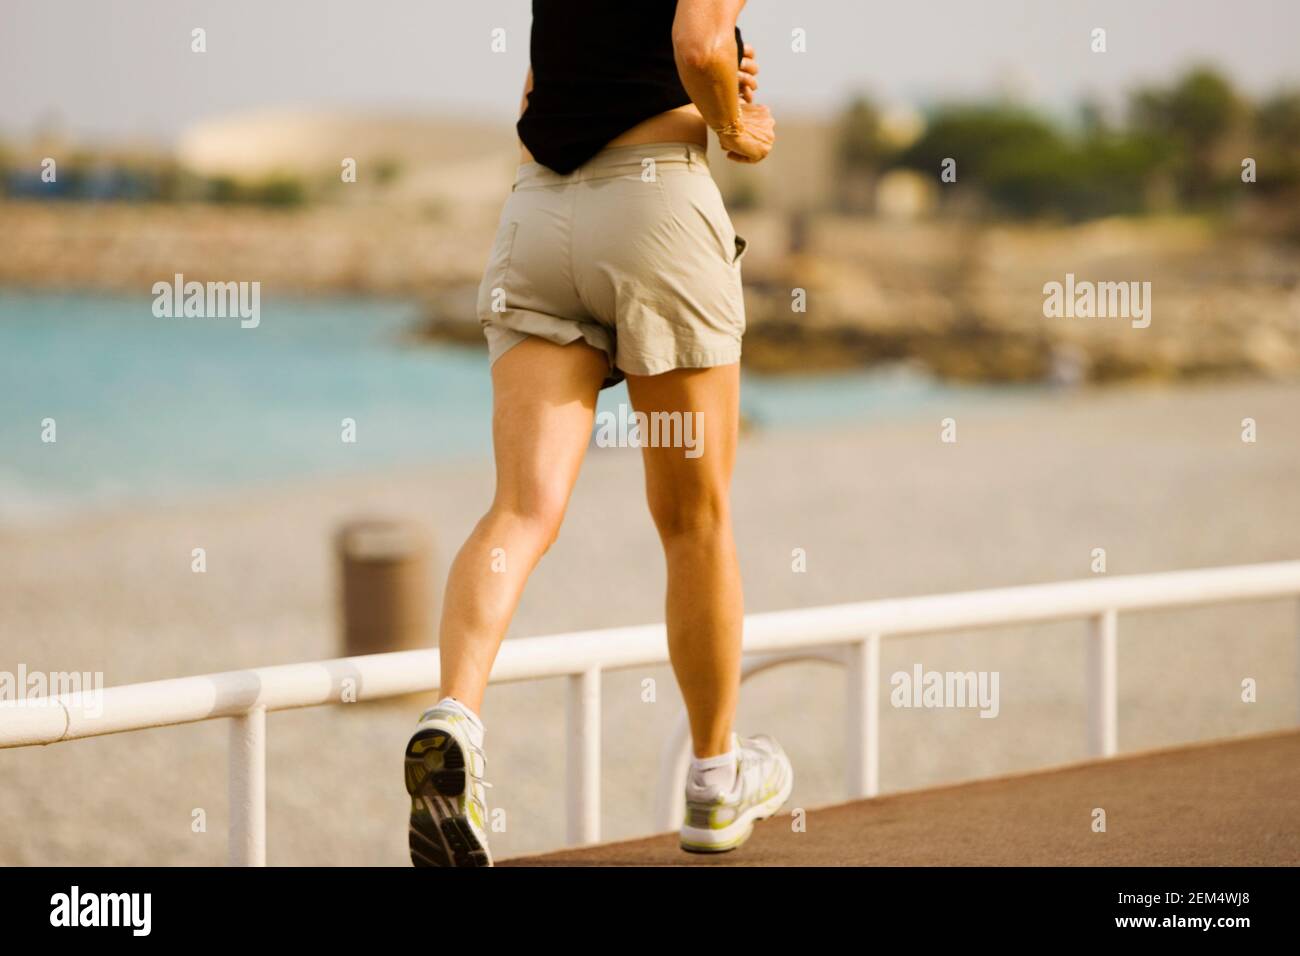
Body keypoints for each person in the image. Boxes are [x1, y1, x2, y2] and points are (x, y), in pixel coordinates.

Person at [404, 0, 791, 867]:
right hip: (655, 210)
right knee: (694, 519)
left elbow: (538, 91)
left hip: (539, 216)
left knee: (521, 509)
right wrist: (734, 124)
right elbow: (694, 43)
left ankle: (454, 716)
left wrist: (710, 77)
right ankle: (716, 782)